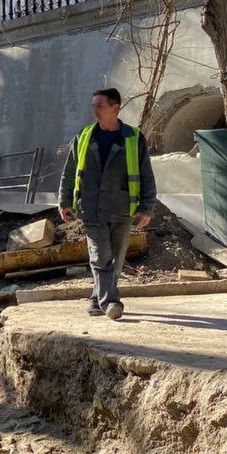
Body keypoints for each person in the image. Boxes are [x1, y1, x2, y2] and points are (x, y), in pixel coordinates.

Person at [58, 88, 157, 320]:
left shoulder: (133, 137)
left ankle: (95, 298)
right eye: (93, 106)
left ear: (116, 107)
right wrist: (64, 201)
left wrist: (147, 207)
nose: (95, 110)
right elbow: (69, 171)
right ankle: (110, 301)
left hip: (122, 207)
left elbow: (146, 175)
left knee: (117, 258)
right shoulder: (84, 136)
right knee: (101, 255)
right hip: (91, 207)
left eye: (100, 106)